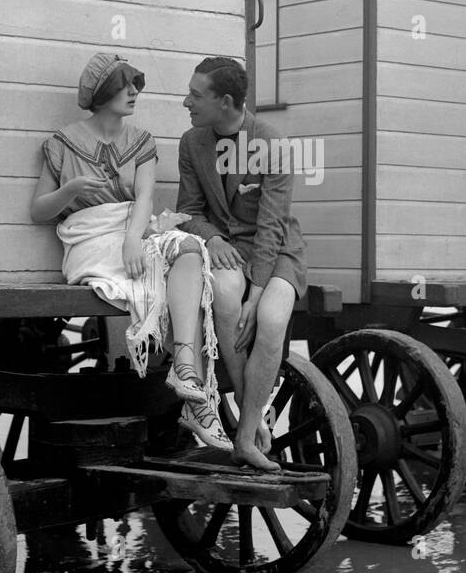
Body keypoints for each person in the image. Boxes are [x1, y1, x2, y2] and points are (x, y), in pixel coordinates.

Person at [30, 51, 226, 448]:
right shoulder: (62, 144)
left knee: (189, 248)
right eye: (125, 85)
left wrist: (134, 239)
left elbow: (144, 196)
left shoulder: (141, 142)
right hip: (88, 240)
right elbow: (38, 211)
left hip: (131, 232)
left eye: (136, 84)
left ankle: (185, 368)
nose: (135, 92)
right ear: (102, 93)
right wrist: (70, 190)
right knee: (163, 275)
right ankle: (197, 403)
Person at [177, 56, 307, 473]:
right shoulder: (191, 142)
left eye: (197, 95)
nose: (186, 102)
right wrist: (212, 237)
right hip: (228, 247)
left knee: (269, 319)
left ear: (227, 102)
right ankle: (247, 425)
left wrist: (258, 290)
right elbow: (189, 210)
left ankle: (246, 435)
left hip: (278, 252)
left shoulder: (273, 143)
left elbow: (272, 224)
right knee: (227, 302)